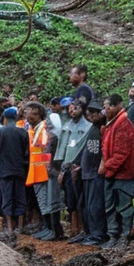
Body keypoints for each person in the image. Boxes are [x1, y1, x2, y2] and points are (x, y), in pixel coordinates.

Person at [101, 94, 134, 247]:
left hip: (122, 174)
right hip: (112, 172)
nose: (105, 110)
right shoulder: (111, 124)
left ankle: (124, 236)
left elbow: (122, 153)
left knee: (124, 206)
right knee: (110, 206)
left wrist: (106, 167)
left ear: (114, 106)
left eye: (106, 107)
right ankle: (113, 236)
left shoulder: (124, 125)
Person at [55, 98, 92, 243]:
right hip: (67, 167)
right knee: (69, 200)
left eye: (75, 108)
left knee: (80, 199)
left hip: (81, 168)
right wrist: (61, 168)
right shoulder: (66, 127)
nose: (72, 111)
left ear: (81, 109)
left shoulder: (88, 126)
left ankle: (84, 229)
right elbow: (62, 148)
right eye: (70, 109)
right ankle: (73, 229)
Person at [24, 101, 60, 240]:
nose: (27, 115)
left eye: (30, 112)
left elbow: (47, 148)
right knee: (43, 202)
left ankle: (53, 230)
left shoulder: (44, 129)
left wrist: (48, 167)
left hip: (44, 172)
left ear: (37, 114)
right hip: (37, 172)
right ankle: (47, 228)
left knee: (49, 202)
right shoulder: (35, 129)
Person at [0, 107, 30, 234]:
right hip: (20, 170)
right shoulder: (23, 132)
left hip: (4, 170)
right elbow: (26, 152)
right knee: (20, 197)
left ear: (5, 118)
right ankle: (20, 226)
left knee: (7, 197)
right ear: (17, 118)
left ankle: (10, 228)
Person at [79, 103, 108, 246]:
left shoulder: (103, 128)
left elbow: (104, 150)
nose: (90, 117)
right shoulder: (93, 128)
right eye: (89, 115)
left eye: (93, 114)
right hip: (87, 171)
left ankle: (98, 234)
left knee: (96, 205)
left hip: (96, 171)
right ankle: (90, 232)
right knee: (87, 205)